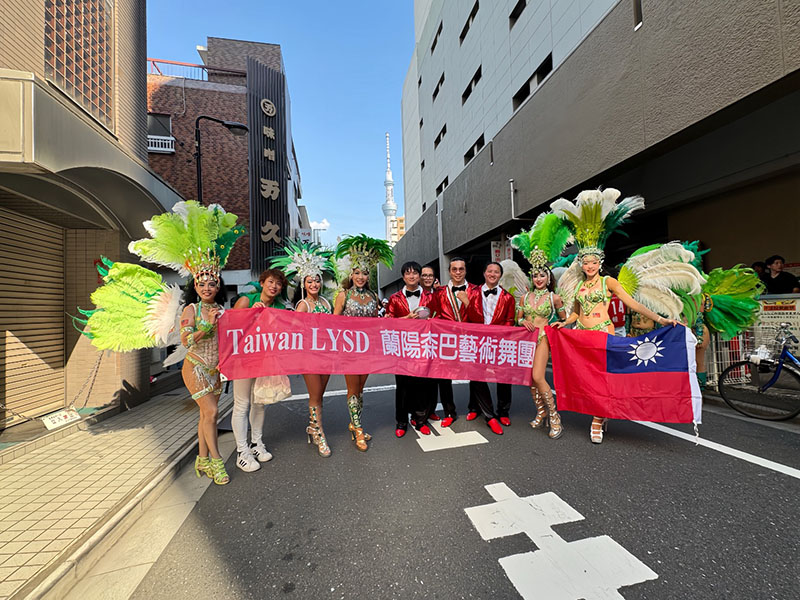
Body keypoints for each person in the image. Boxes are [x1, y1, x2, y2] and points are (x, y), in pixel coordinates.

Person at [76, 201, 247, 485]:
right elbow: (185, 339)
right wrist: (207, 325)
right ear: (195, 285)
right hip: (195, 368)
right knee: (213, 412)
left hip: (216, 369)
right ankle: (216, 461)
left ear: (218, 286)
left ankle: (201, 459)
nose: (207, 288)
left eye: (212, 284)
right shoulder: (190, 311)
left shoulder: (221, 309)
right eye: (202, 284)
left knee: (207, 415)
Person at [553, 251, 679, 442]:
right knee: (587, 378)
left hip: (603, 333)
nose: (590, 266)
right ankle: (601, 411)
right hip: (582, 335)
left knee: (601, 378)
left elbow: (632, 303)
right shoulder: (579, 285)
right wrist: (564, 323)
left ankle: (597, 419)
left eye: (594, 262)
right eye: (586, 263)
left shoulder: (608, 282)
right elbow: (576, 314)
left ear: (600, 263)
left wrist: (660, 319)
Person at [271, 240, 337, 458]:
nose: (314, 285)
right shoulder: (303, 305)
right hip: (310, 358)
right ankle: (319, 434)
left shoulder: (327, 304)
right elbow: (297, 333)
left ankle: (312, 427)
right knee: (315, 396)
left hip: (327, 356)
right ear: (304, 284)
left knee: (320, 394)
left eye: (317, 281)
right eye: (310, 281)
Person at [333, 234, 394, 451]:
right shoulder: (344, 295)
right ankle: (358, 430)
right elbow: (334, 321)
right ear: (351, 274)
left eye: (365, 273)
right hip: (349, 350)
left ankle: (354, 423)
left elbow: (377, 322)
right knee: (352, 389)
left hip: (367, 350)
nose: (361, 277)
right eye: (357, 273)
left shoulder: (372, 297)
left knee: (361, 390)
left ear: (369, 276)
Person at [230, 268, 289, 472]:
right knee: (242, 404)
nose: (274, 286)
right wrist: (250, 315)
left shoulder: (280, 307)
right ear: (262, 282)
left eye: (278, 284)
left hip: (265, 362)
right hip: (243, 361)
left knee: (260, 403)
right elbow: (230, 327)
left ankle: (256, 444)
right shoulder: (247, 300)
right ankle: (242, 452)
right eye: (271, 281)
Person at [465, 262, 516, 435]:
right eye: (490, 271)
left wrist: (498, 336)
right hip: (477, 342)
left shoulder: (508, 298)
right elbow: (467, 318)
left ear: (500, 275)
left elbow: (510, 321)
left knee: (504, 376)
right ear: (484, 273)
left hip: (500, 342)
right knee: (478, 377)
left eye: (496, 272)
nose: (493, 274)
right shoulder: (471, 293)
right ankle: (488, 415)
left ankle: (504, 412)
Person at [516, 267, 566, 438]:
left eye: (542, 275)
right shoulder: (524, 297)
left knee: (538, 376)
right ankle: (541, 411)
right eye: (535, 275)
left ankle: (554, 416)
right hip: (527, 338)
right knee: (529, 378)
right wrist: (523, 322)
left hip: (543, 337)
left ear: (548, 277)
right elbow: (519, 317)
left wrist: (556, 325)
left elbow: (563, 318)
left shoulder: (555, 298)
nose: (538, 279)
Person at [386, 261, 434, 437]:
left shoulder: (431, 297)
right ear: (403, 276)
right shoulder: (394, 298)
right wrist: (406, 318)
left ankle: (420, 419)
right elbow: (389, 323)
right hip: (402, 348)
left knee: (422, 385)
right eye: (408, 273)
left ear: (420, 276)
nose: (412, 276)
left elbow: (439, 318)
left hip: (424, 347)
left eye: (415, 273)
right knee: (403, 386)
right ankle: (401, 421)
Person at [428, 257, 477, 426]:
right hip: (447, 340)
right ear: (449, 271)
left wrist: (468, 302)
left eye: (461, 269)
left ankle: (474, 408)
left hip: (470, 339)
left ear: (465, 271)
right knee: (444, 377)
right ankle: (449, 412)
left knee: (475, 374)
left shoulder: (475, 290)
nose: (458, 272)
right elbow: (434, 316)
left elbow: (480, 317)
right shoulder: (440, 292)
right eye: (454, 269)